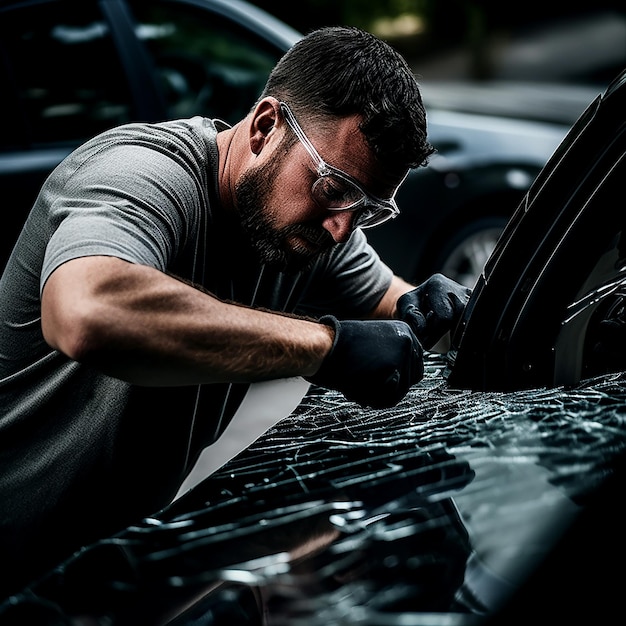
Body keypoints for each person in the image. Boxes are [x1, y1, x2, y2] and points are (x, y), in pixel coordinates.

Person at [0, 25, 470, 598]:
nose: (341, 226)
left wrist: (437, 309)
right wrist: (325, 347)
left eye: (366, 207)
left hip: (99, 577)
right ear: (267, 127)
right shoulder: (145, 175)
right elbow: (87, 311)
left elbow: (397, 304)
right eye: (333, 187)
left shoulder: (317, 226)